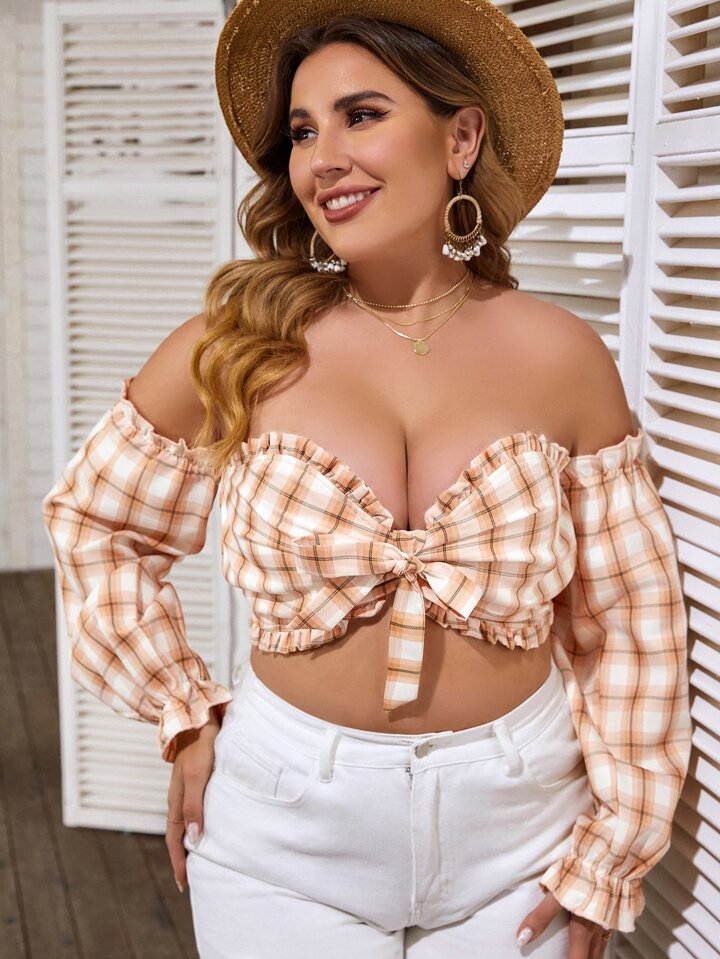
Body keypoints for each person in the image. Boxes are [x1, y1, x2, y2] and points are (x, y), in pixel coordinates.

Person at [42, 2, 692, 957]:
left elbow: (630, 620)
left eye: (362, 115)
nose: (323, 159)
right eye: (304, 132)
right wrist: (181, 711)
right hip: (280, 830)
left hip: (523, 835)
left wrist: (618, 843)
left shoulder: (563, 356)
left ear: (461, 138)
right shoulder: (240, 345)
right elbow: (98, 522)